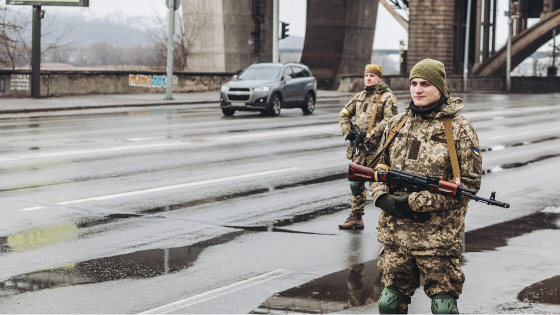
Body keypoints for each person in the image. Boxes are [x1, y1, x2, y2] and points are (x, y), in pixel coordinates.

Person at [370, 59, 482, 314]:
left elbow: (467, 185)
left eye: (425, 84)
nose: (417, 89)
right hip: (396, 235)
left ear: (440, 88)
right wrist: (381, 199)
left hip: (438, 238)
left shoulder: (459, 129)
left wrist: (411, 202)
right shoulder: (395, 124)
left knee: (443, 308)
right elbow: (377, 170)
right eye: (413, 83)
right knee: (388, 303)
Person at [338, 64, 398, 229]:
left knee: (380, 186)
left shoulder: (387, 98)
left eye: (372, 75)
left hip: (377, 150)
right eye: (366, 75)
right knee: (355, 183)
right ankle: (356, 217)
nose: (369, 78)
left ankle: (388, 221)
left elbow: (390, 121)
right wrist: (347, 132)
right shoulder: (360, 96)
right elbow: (344, 113)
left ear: (380, 78)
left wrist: (370, 134)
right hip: (360, 148)